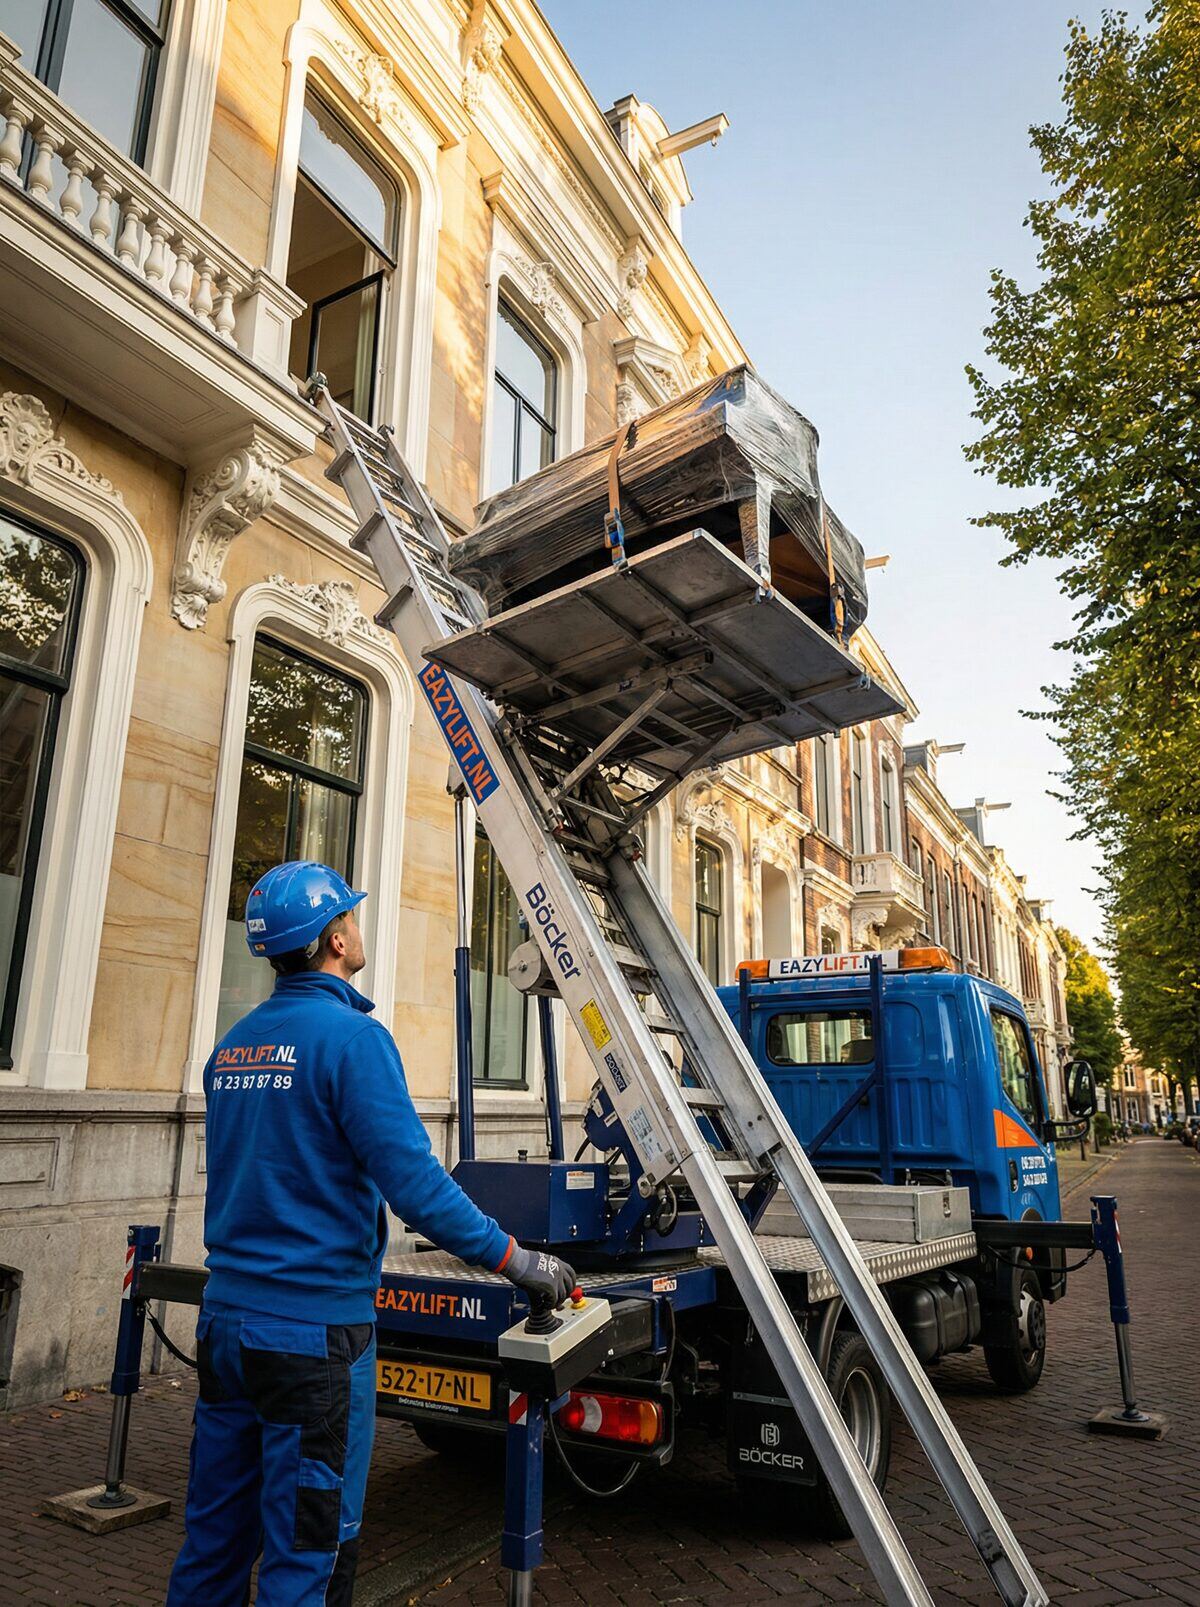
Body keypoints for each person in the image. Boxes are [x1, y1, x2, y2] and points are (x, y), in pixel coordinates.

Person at [167, 861, 574, 1607]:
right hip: (314, 1338)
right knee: (307, 1556)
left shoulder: (232, 1049)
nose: (359, 924)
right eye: (350, 915)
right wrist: (520, 1261)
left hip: (226, 1324)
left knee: (214, 1543)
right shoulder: (353, 1040)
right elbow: (418, 1190)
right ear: (333, 937)